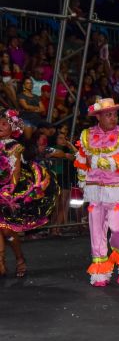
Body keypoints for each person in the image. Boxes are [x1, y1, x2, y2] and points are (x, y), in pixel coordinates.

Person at [73, 97, 119, 286]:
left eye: (114, 114)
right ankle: (101, 272)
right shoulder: (87, 134)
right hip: (94, 190)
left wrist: (102, 162)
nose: (113, 118)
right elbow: (82, 161)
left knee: (118, 228)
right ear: (98, 117)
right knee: (96, 231)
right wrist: (84, 179)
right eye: (108, 115)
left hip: (118, 189)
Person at [0, 109, 58, 278]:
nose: (0, 127)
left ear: (12, 128)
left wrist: (10, 190)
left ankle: (19, 259)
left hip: (8, 190)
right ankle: (1, 262)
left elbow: (15, 169)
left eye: (4, 124)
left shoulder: (14, 146)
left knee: (7, 231)